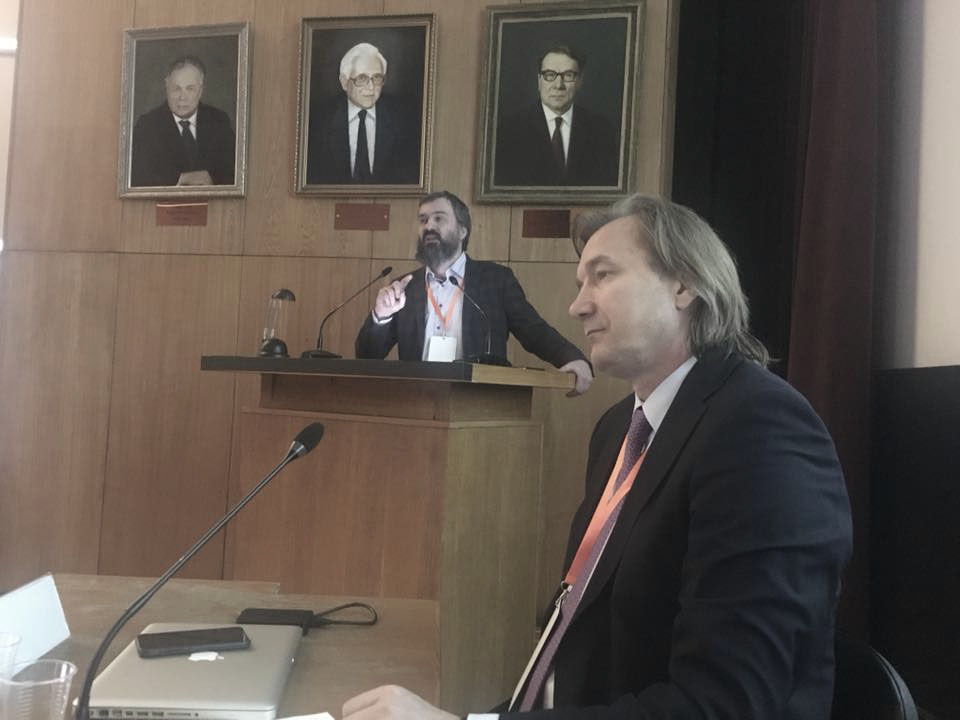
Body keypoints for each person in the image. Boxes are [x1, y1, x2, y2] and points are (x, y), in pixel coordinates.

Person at [342, 194, 853, 719]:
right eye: (580, 283)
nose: (578, 306)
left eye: (602, 276)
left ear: (684, 284)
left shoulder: (760, 430)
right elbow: (581, 643)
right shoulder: (618, 428)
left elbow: (724, 706)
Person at [355, 190, 593, 394]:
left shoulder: (496, 280)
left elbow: (534, 332)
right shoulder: (405, 287)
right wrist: (381, 316)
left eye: (439, 218)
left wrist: (573, 359)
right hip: (416, 403)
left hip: (478, 403)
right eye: (423, 220)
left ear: (462, 231)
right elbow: (366, 356)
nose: (429, 226)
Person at [494, 45, 619, 187]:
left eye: (568, 75)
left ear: (580, 81)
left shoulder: (602, 130)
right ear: (539, 80)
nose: (558, 85)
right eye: (549, 75)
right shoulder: (509, 130)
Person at [306, 42, 420, 185]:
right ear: (344, 82)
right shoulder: (319, 119)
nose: (371, 87)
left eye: (377, 77)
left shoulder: (404, 118)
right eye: (362, 78)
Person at [130, 56, 236, 187]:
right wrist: (180, 179)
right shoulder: (147, 126)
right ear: (167, 87)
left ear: (201, 90)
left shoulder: (219, 121)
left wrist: (212, 178)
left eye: (190, 89)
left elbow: (233, 173)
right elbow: (137, 177)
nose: (182, 97)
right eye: (176, 89)